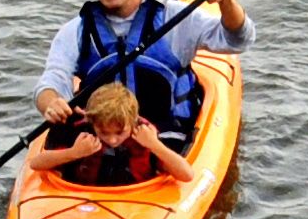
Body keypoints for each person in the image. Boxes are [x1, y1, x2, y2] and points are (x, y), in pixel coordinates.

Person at [35, 0, 245, 144]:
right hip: (102, 135)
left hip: (164, 136)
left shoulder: (174, 18)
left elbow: (237, 39)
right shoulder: (78, 30)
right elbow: (52, 80)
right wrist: (52, 103)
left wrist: (225, 0)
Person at [25, 83, 193, 193]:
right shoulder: (80, 133)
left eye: (120, 133)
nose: (112, 140)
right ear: (92, 123)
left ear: (132, 122)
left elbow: (187, 175)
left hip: (136, 198)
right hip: (84, 197)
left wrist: (155, 145)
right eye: (104, 132)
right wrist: (73, 153)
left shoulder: (144, 135)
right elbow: (36, 163)